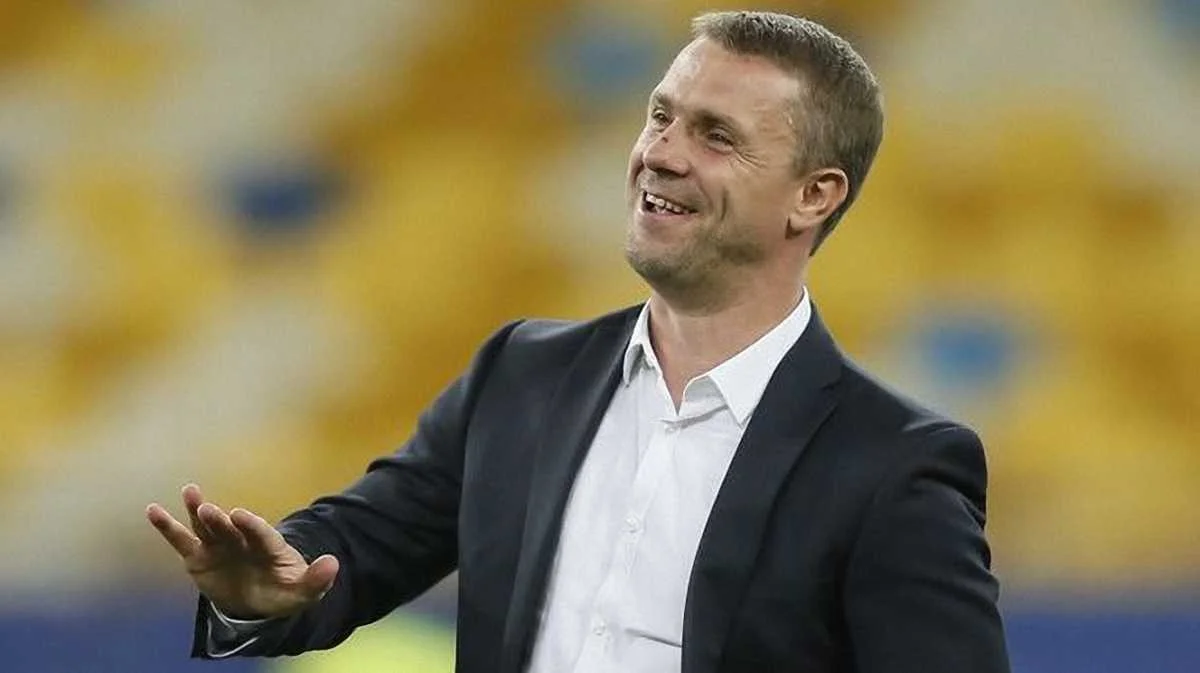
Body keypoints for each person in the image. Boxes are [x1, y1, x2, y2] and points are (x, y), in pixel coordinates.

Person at [146, 10, 1010, 673]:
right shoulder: (523, 372)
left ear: (813, 196)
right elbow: (361, 543)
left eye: (716, 136)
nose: (662, 154)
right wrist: (267, 590)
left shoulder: (892, 463)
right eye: (661, 116)